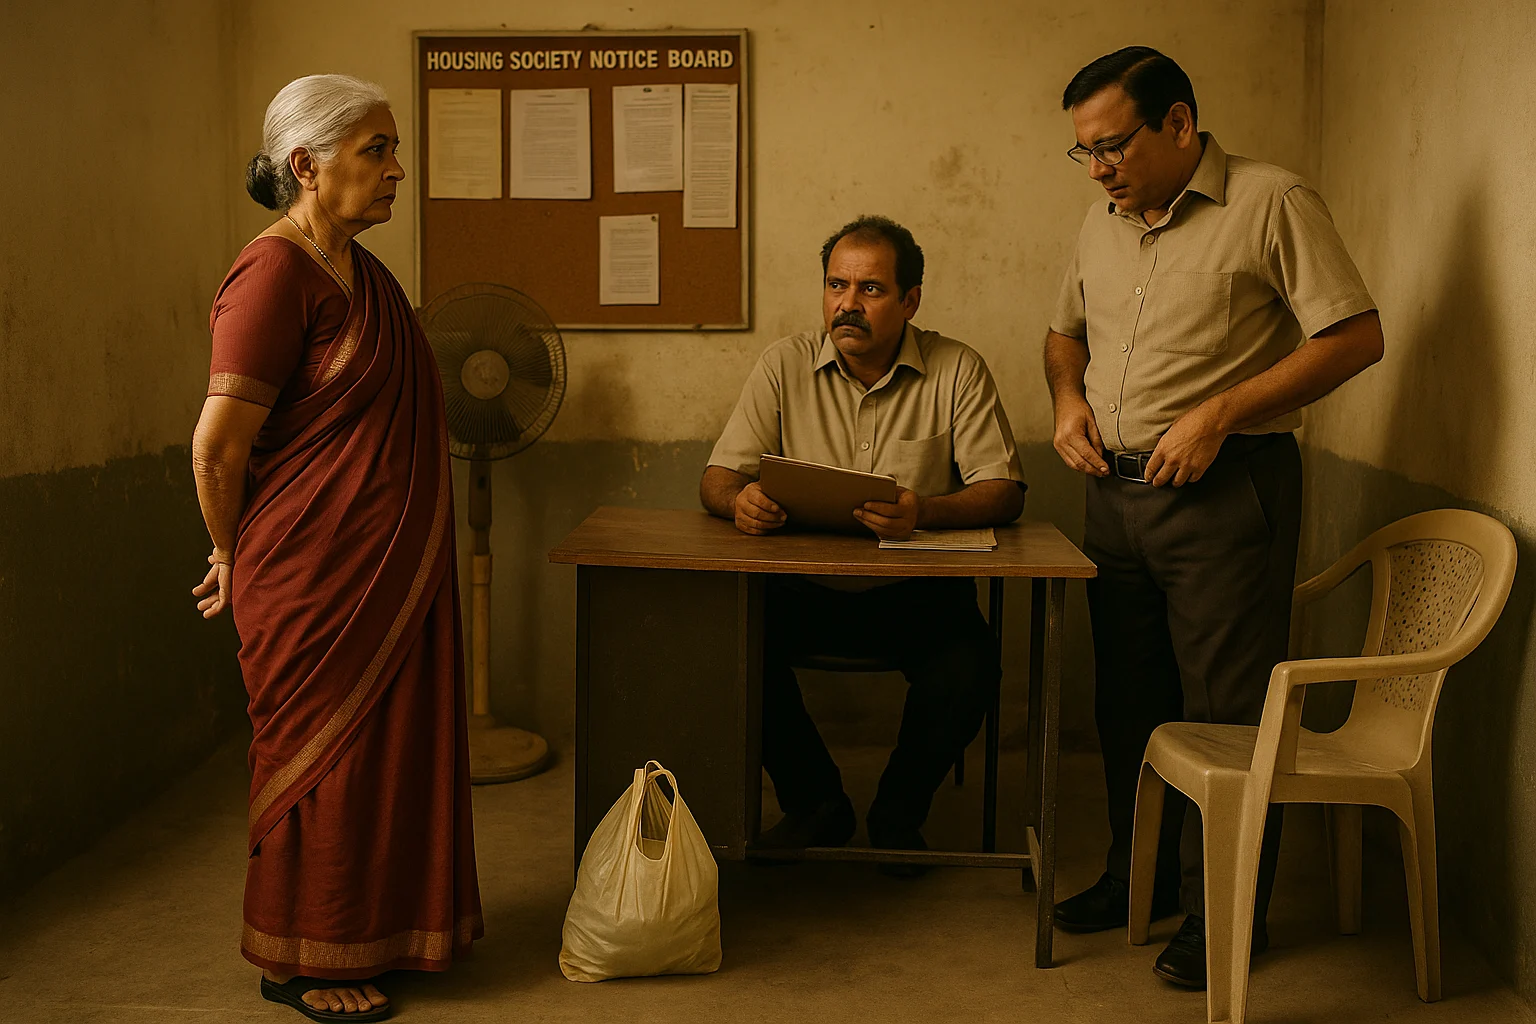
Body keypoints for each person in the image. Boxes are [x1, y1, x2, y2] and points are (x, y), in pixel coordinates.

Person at [1043, 47, 1383, 987]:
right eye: (1084, 151)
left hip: (1227, 493)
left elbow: (1356, 336)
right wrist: (1067, 403)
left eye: (1112, 145)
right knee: (1129, 702)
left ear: (1180, 123)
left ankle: (1223, 912)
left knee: (1225, 715)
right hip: (1113, 496)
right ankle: (1136, 877)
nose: (1098, 169)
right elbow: (1064, 334)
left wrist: (1221, 413)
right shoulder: (1101, 221)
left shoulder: (1272, 201)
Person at [191, 74, 482, 1022]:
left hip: (385, 568)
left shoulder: (362, 273)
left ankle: (381, 928)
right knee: (327, 763)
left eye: (395, 149)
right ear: (306, 165)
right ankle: (302, 954)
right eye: (376, 150)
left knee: (389, 751)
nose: (397, 169)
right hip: (309, 579)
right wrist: (230, 555)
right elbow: (218, 446)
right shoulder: (273, 275)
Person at [700, 216, 1028, 874]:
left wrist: (924, 511)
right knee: (728, 649)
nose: (847, 304)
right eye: (836, 285)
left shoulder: (956, 368)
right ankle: (817, 803)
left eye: (871, 289)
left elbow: (1004, 491)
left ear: (910, 301)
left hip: (918, 595)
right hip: (802, 592)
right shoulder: (784, 364)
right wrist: (740, 501)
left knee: (970, 668)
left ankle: (898, 815)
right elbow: (716, 478)